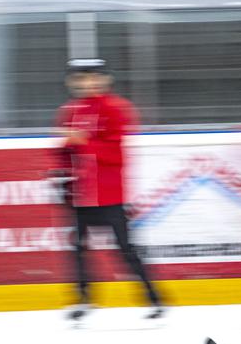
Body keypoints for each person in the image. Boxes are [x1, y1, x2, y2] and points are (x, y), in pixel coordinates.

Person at [55, 58, 163, 321]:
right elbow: (64, 152)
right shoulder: (69, 111)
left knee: (125, 249)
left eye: (93, 77)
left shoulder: (116, 109)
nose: (87, 83)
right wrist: (60, 172)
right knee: (78, 249)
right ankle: (83, 298)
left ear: (105, 80)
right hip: (81, 196)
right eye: (81, 78)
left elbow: (115, 154)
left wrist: (82, 142)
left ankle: (153, 299)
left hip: (111, 195)